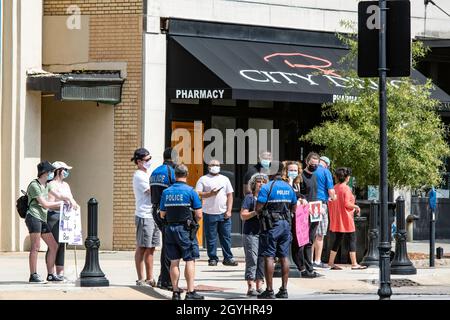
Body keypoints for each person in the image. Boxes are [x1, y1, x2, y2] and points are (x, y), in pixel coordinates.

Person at [160, 164, 204, 300]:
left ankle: (175, 292)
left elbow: (162, 214)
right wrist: (194, 222)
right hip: (185, 230)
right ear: (187, 174)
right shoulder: (191, 191)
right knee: (190, 260)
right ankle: (190, 292)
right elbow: (199, 214)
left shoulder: (166, 192)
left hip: (170, 229)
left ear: (175, 175)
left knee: (174, 262)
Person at [256, 162, 297, 299]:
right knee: (284, 257)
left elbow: (258, 208)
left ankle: (269, 290)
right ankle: (284, 290)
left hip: (271, 225)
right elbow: (294, 208)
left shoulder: (267, 187)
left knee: (269, 256)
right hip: (285, 224)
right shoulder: (289, 188)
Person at [25, 161, 65, 283]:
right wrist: (61, 204)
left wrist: (69, 202)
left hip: (42, 218)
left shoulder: (46, 185)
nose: (52, 174)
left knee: (53, 245)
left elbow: (58, 196)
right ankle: (33, 275)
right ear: (44, 172)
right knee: (35, 247)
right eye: (50, 172)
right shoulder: (34, 185)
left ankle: (51, 274)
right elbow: (45, 204)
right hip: (33, 217)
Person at [195, 159, 237, 266]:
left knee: (226, 237)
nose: (215, 166)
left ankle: (228, 258)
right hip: (209, 213)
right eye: (213, 164)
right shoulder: (203, 179)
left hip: (223, 213)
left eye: (217, 165)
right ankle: (212, 258)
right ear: (209, 167)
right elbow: (197, 193)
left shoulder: (225, 179)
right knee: (211, 238)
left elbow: (230, 195)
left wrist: (229, 210)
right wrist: (210, 194)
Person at [328, 167, 367, 270]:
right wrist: (356, 207)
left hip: (337, 218)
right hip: (346, 218)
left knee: (337, 239)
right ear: (346, 177)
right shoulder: (346, 188)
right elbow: (347, 203)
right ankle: (354, 264)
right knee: (352, 239)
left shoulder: (334, 187)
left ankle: (331, 262)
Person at [131, 148, 160, 287]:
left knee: (151, 247)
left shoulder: (147, 173)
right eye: (147, 160)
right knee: (142, 247)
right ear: (139, 161)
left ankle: (150, 278)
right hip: (144, 214)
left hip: (153, 214)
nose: (149, 162)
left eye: (150, 159)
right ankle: (140, 278)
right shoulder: (139, 175)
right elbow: (151, 190)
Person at [46, 161, 79, 280]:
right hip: (53, 216)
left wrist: (74, 204)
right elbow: (49, 204)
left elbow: (71, 198)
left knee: (62, 245)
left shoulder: (66, 185)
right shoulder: (51, 184)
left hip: (65, 216)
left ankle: (60, 273)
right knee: (54, 245)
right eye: (65, 170)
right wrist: (61, 204)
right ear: (59, 170)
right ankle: (51, 273)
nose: (67, 172)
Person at [150, 147, 177, 290]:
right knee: (169, 246)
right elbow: (174, 191)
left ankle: (164, 278)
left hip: (155, 210)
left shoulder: (155, 171)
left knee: (167, 245)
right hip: (166, 212)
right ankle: (164, 280)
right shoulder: (171, 172)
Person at [293, 152, 323, 278]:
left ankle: (309, 267)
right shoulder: (301, 176)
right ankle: (302, 267)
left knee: (310, 240)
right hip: (303, 211)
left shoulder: (315, 176)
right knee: (302, 241)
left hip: (315, 211)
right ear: (307, 162)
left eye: (316, 164)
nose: (314, 166)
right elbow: (298, 193)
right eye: (312, 164)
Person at [240, 173, 268, 296]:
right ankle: (251, 286)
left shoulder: (267, 199)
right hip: (250, 233)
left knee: (262, 260)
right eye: (258, 181)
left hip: (263, 232)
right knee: (252, 259)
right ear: (253, 184)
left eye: (263, 182)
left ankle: (260, 285)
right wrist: (255, 212)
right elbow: (243, 215)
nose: (261, 184)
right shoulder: (249, 198)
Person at [312, 154, 336, 269]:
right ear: (327, 164)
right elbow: (331, 191)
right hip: (320, 204)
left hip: (310, 203)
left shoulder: (311, 170)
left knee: (311, 232)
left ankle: (309, 259)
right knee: (320, 234)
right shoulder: (326, 172)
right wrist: (334, 197)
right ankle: (317, 261)